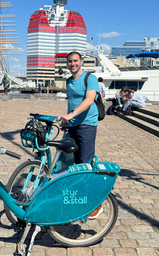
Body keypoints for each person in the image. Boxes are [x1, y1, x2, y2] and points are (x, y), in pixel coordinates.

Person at [60, 51, 102, 218]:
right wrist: (66, 120)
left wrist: (72, 114)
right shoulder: (69, 81)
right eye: (70, 61)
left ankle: (94, 204)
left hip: (87, 125)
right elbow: (71, 103)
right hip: (73, 125)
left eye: (75, 61)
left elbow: (89, 99)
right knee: (73, 163)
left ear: (81, 61)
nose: (73, 64)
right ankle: (80, 198)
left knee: (86, 162)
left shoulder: (89, 78)